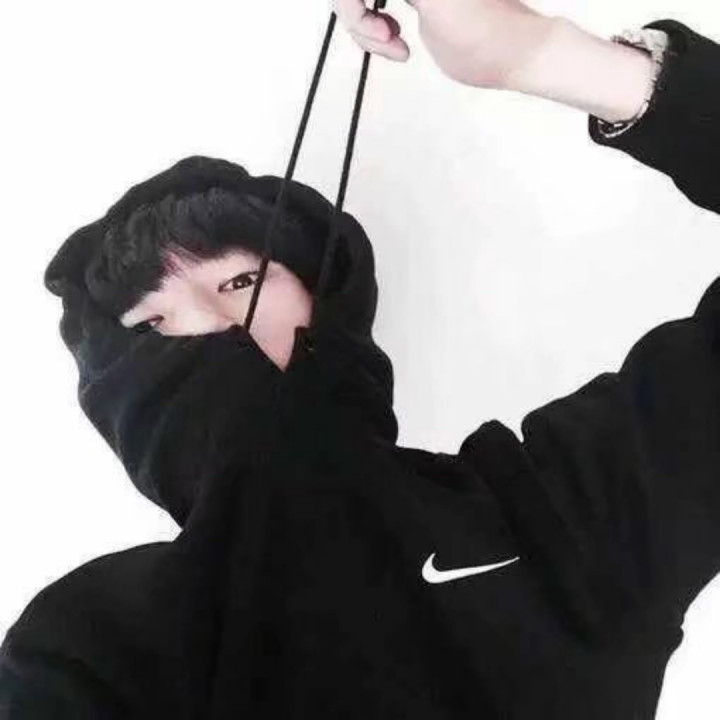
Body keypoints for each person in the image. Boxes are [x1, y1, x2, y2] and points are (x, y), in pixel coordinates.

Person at [1, 0, 719, 717]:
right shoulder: (93, 642)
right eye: (153, 324)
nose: (215, 325)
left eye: (242, 281)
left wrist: (543, 54)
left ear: (328, 299)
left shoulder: (558, 521)